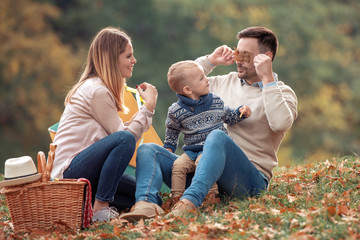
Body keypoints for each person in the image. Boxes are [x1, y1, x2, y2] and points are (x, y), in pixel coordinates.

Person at [120, 26, 297, 221]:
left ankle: (189, 203)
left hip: (246, 181)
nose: (238, 60)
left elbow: (280, 124)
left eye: (246, 55)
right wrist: (210, 61)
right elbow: (184, 83)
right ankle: (146, 204)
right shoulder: (225, 82)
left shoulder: (281, 92)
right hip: (202, 171)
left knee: (217, 136)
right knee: (148, 150)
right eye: (237, 53)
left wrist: (268, 79)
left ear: (267, 57)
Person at [51, 27, 158, 222]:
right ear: (111, 58)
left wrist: (145, 111)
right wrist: (148, 108)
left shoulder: (99, 88)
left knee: (146, 196)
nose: (134, 61)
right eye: (128, 56)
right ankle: (101, 207)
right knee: (124, 139)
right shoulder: (96, 91)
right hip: (69, 173)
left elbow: (122, 135)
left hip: (90, 172)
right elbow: (126, 139)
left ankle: (88, 206)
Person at [161, 60, 251, 210]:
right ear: (188, 89)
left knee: (203, 163)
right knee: (178, 165)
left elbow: (229, 117)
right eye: (202, 78)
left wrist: (241, 112)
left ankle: (212, 197)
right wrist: (169, 148)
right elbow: (172, 131)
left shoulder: (215, 101)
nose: (207, 79)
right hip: (192, 150)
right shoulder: (175, 111)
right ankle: (176, 198)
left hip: (212, 150)